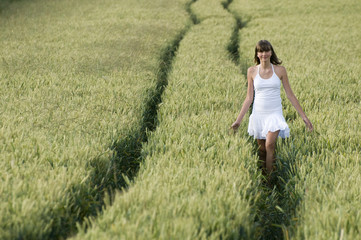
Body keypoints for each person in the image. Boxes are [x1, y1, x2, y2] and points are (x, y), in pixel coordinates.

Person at [230, 40, 313, 179]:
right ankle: (264, 178)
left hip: (274, 114)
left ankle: (269, 180)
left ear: (271, 52)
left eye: (267, 51)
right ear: (257, 54)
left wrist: (304, 117)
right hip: (258, 115)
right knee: (262, 150)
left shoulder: (280, 70)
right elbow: (249, 98)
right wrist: (238, 121)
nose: (264, 54)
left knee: (269, 145)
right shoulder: (251, 71)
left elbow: (290, 94)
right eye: (261, 51)